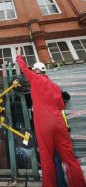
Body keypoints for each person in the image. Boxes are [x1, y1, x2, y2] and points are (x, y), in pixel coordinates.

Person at [14, 46, 86, 187]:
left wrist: (18, 55)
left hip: (44, 121)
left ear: (36, 70)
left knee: (47, 158)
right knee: (69, 158)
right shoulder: (55, 86)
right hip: (59, 122)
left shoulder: (35, 79)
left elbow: (23, 68)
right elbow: (61, 106)